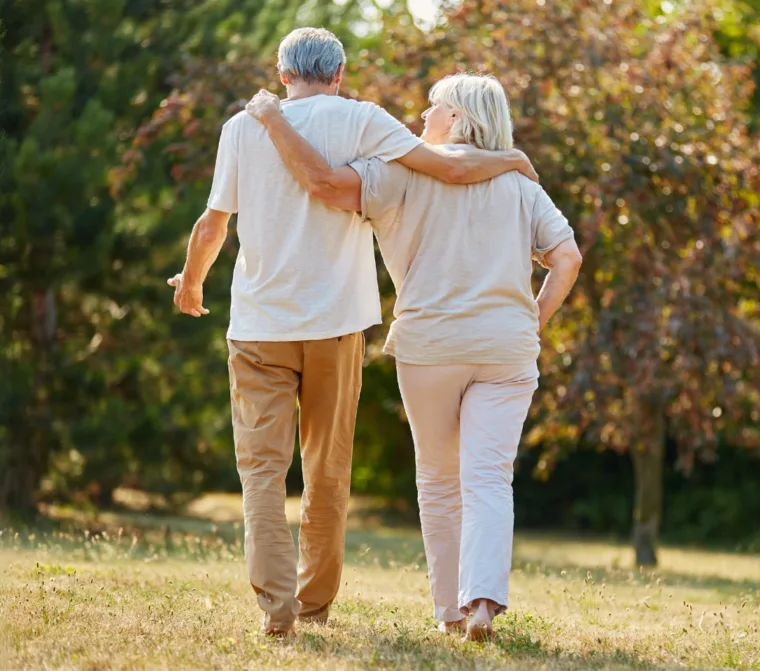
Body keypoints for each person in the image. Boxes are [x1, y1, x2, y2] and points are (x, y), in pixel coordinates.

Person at [168, 29, 537, 638]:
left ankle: (276, 609)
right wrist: (512, 160)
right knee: (327, 471)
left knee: (261, 473)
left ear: (282, 73)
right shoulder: (365, 120)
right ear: (339, 73)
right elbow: (445, 165)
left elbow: (214, 223)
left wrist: (190, 283)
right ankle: (314, 605)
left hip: (260, 326)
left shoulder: (242, 127)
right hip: (337, 326)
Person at [243, 73, 582, 642]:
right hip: (507, 346)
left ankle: (448, 611)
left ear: (454, 117)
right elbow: (566, 258)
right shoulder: (520, 181)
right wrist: (533, 319)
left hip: (430, 346)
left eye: (432, 107)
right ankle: (482, 604)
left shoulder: (396, 172)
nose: (421, 116)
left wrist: (275, 123)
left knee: (439, 479)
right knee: (491, 477)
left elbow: (326, 187)